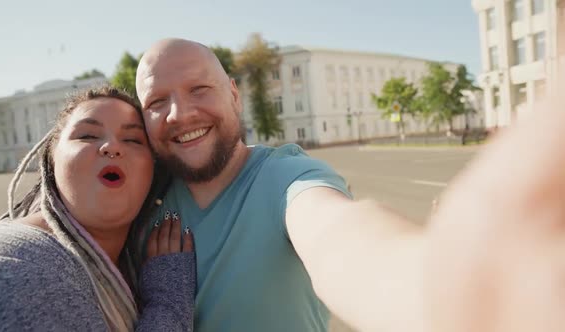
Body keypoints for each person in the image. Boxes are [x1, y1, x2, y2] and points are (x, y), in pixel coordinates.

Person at [134, 37, 565, 332]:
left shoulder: (285, 179)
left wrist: (441, 288)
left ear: (234, 94)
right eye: (157, 102)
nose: (179, 113)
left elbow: (341, 239)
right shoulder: (139, 206)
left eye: (199, 88)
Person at [0, 86, 195, 331]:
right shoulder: (14, 259)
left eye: (133, 139)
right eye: (88, 136)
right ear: (51, 158)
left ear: (153, 171)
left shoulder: (132, 266)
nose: (112, 147)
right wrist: (168, 301)